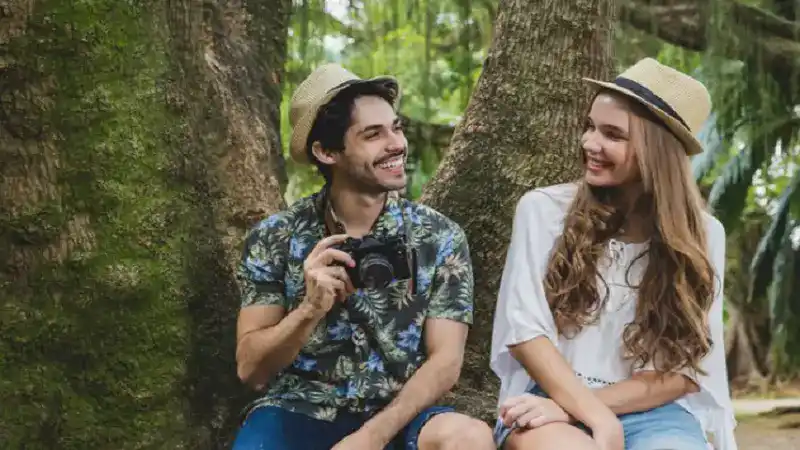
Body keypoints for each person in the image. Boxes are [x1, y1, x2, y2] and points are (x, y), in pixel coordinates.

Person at [232, 63, 494, 450]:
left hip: (400, 412)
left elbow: (446, 363)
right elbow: (250, 369)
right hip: (300, 410)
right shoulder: (276, 237)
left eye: (397, 128)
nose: (396, 144)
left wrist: (372, 436)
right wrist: (309, 309)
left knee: (469, 438)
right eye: (373, 134)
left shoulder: (439, 236)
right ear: (326, 151)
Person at [489, 58, 737, 450]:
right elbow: (525, 332)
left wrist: (587, 411)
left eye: (612, 134)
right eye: (590, 127)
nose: (589, 143)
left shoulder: (704, 235)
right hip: (547, 397)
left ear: (657, 151)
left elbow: (686, 371)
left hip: (656, 414)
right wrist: (587, 415)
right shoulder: (543, 210)